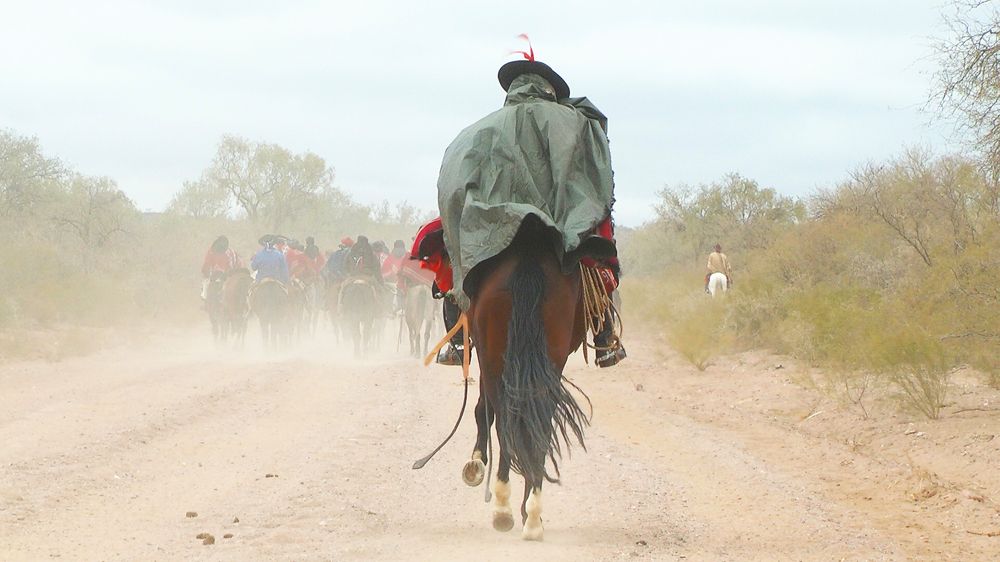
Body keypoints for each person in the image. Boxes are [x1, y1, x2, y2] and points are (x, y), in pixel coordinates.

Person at [430, 39, 626, 367]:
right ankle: (604, 336)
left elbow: (455, 187)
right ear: (550, 88)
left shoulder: (478, 130)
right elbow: (592, 176)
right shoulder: (574, 121)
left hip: (491, 226)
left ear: (513, 88)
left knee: (452, 259)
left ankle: (458, 343)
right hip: (558, 223)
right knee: (594, 265)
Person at [200, 235, 242, 300]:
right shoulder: (210, 251)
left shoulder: (229, 254)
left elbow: (231, 270)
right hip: (219, 271)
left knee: (229, 284)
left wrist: (223, 277)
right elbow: (206, 266)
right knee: (206, 280)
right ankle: (204, 295)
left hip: (237, 268)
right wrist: (208, 276)